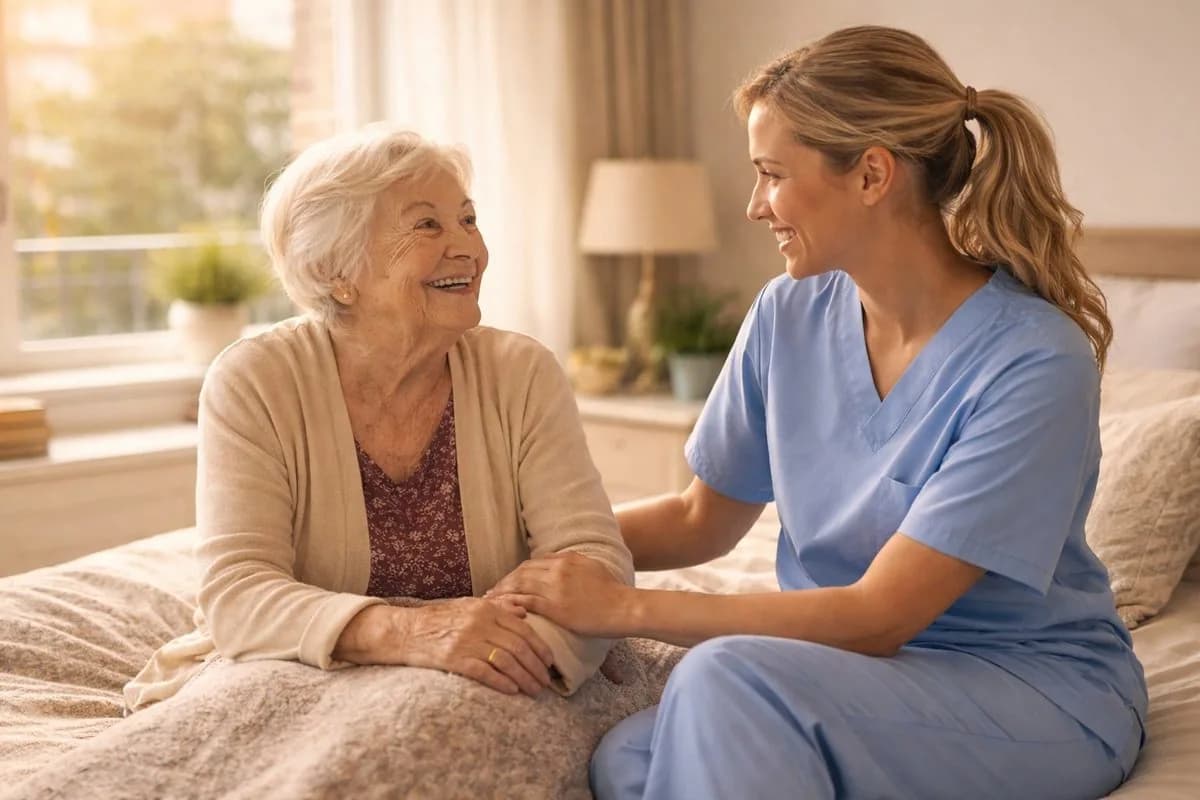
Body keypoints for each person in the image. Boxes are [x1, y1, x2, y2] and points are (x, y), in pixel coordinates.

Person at [489, 25, 1147, 800]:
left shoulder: (1035, 360)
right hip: (853, 678)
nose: (753, 207)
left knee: (724, 682)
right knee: (628, 757)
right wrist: (517, 547)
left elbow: (879, 617)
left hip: (1031, 692)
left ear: (872, 175)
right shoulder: (787, 314)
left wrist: (619, 607)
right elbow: (703, 518)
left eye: (771, 174)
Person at [124, 124, 633, 711]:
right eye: (427, 225)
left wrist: (506, 656)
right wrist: (409, 635)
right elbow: (239, 595)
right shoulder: (255, 381)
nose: (467, 246)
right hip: (301, 672)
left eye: (468, 219)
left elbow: (593, 559)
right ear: (336, 273)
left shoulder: (522, 373)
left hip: (496, 675)